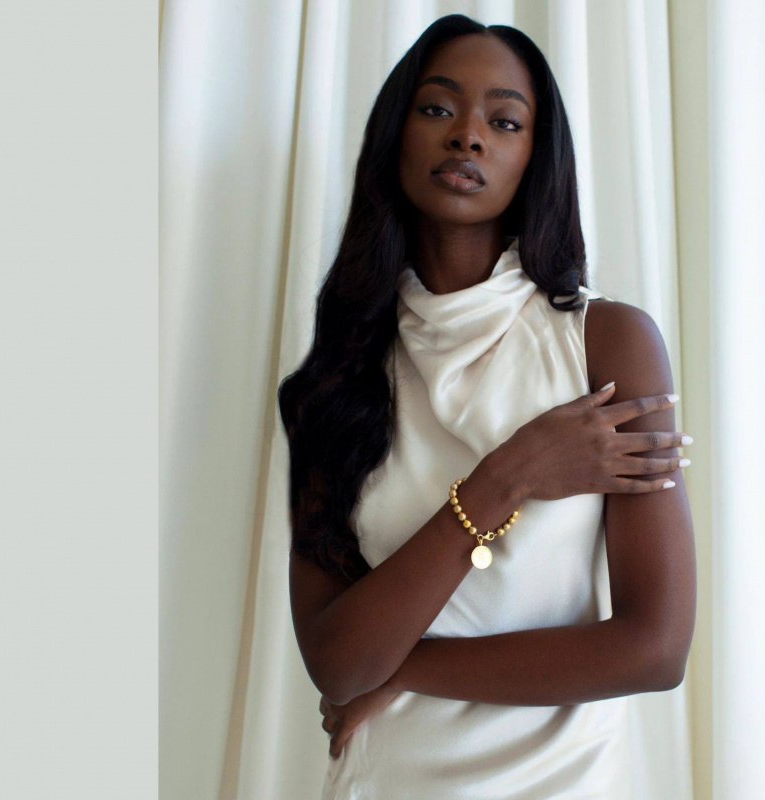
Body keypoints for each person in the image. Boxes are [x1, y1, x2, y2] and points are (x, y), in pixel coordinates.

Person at [277, 13, 697, 799]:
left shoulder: (606, 345)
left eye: (504, 121)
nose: (467, 135)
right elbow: (335, 664)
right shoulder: (333, 384)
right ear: (396, 136)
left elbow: (656, 648)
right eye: (438, 108)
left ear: (536, 156)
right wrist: (506, 478)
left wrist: (402, 667)